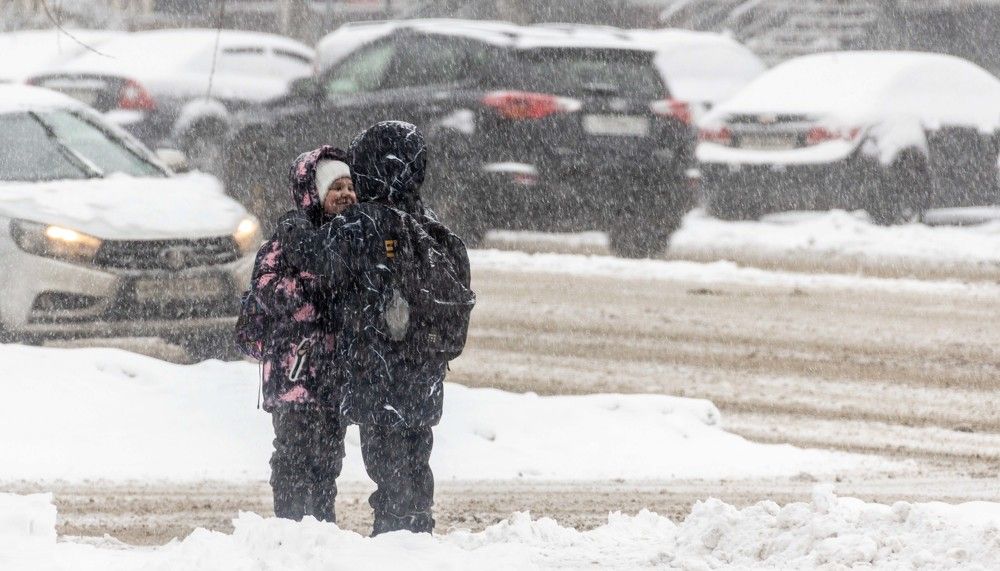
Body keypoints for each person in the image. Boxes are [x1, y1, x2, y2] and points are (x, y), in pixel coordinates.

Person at [278, 121, 474, 535]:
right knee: (415, 455)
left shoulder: (366, 222)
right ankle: (416, 527)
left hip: (379, 370)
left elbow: (317, 257)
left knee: (387, 461)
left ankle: (396, 537)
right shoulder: (426, 222)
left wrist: (294, 226)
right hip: (424, 368)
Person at [237, 145, 357, 523]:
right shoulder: (287, 238)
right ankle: (289, 527)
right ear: (315, 192)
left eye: (350, 186)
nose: (346, 194)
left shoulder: (353, 237)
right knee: (293, 450)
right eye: (335, 187)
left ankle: (321, 524)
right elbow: (267, 286)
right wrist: (314, 295)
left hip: (334, 370)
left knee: (329, 455)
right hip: (294, 365)